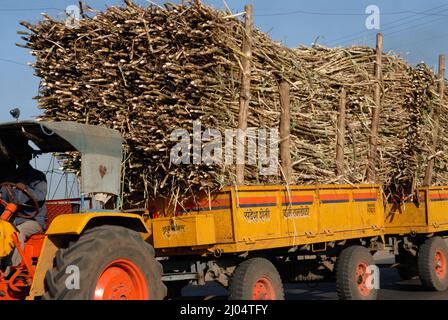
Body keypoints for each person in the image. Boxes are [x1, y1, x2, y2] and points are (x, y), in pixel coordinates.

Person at [1, 144, 47, 269]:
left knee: (18, 233)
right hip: (13, 219)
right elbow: (4, 199)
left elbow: (40, 196)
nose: (20, 158)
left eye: (23, 155)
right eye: (18, 156)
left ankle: (11, 269)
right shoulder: (11, 177)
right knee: (3, 231)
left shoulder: (38, 177)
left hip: (33, 221)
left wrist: (26, 188)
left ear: (29, 157)